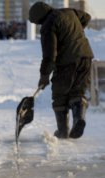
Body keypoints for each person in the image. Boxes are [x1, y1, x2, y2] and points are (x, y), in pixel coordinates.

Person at [28, 2, 93, 139]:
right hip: (86, 56)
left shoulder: (48, 25)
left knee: (59, 93)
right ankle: (78, 118)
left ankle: (63, 131)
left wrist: (44, 76)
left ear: (40, 18)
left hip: (67, 62)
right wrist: (74, 34)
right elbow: (86, 17)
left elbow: (49, 55)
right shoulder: (70, 12)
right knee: (78, 91)